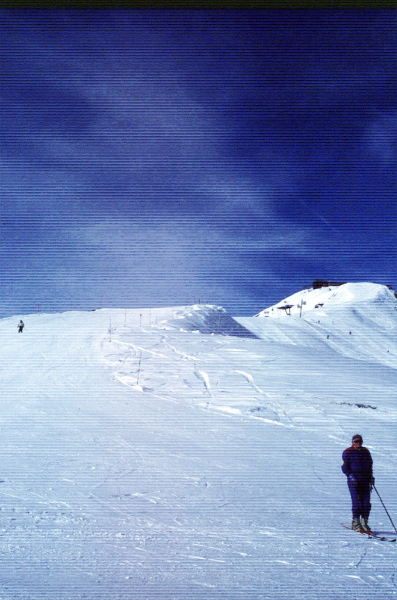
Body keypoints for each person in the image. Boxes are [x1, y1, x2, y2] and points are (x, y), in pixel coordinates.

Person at [341, 434, 374, 533]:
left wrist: (371, 476)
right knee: (357, 501)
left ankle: (364, 523)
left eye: (359, 441)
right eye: (356, 441)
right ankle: (356, 523)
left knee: (366, 502)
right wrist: (350, 475)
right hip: (354, 480)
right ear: (352, 442)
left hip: (365, 479)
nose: (358, 443)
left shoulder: (365, 451)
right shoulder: (348, 452)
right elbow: (344, 467)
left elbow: (370, 465)